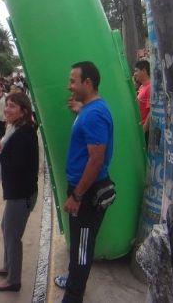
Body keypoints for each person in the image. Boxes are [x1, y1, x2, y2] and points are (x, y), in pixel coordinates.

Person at [54, 61, 114, 303]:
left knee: (82, 248)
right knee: (79, 241)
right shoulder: (90, 110)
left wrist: (77, 196)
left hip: (86, 193)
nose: (69, 86)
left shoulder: (94, 114)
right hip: (83, 190)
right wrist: (81, 110)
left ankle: (73, 296)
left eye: (73, 81)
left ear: (87, 83)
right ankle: (73, 281)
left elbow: (96, 160)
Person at [0, 92, 39, 293]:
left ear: (23, 111)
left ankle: (13, 280)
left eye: (12, 106)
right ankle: (8, 266)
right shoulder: (16, 128)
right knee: (6, 229)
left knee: (12, 236)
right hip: (18, 193)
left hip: (21, 194)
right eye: (7, 105)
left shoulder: (24, 134)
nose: (7, 109)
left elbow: (16, 168)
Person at [133, 60, 152, 144]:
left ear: (144, 71)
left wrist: (144, 128)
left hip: (145, 131)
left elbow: (151, 111)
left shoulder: (149, 88)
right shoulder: (141, 87)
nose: (134, 74)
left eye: (136, 71)